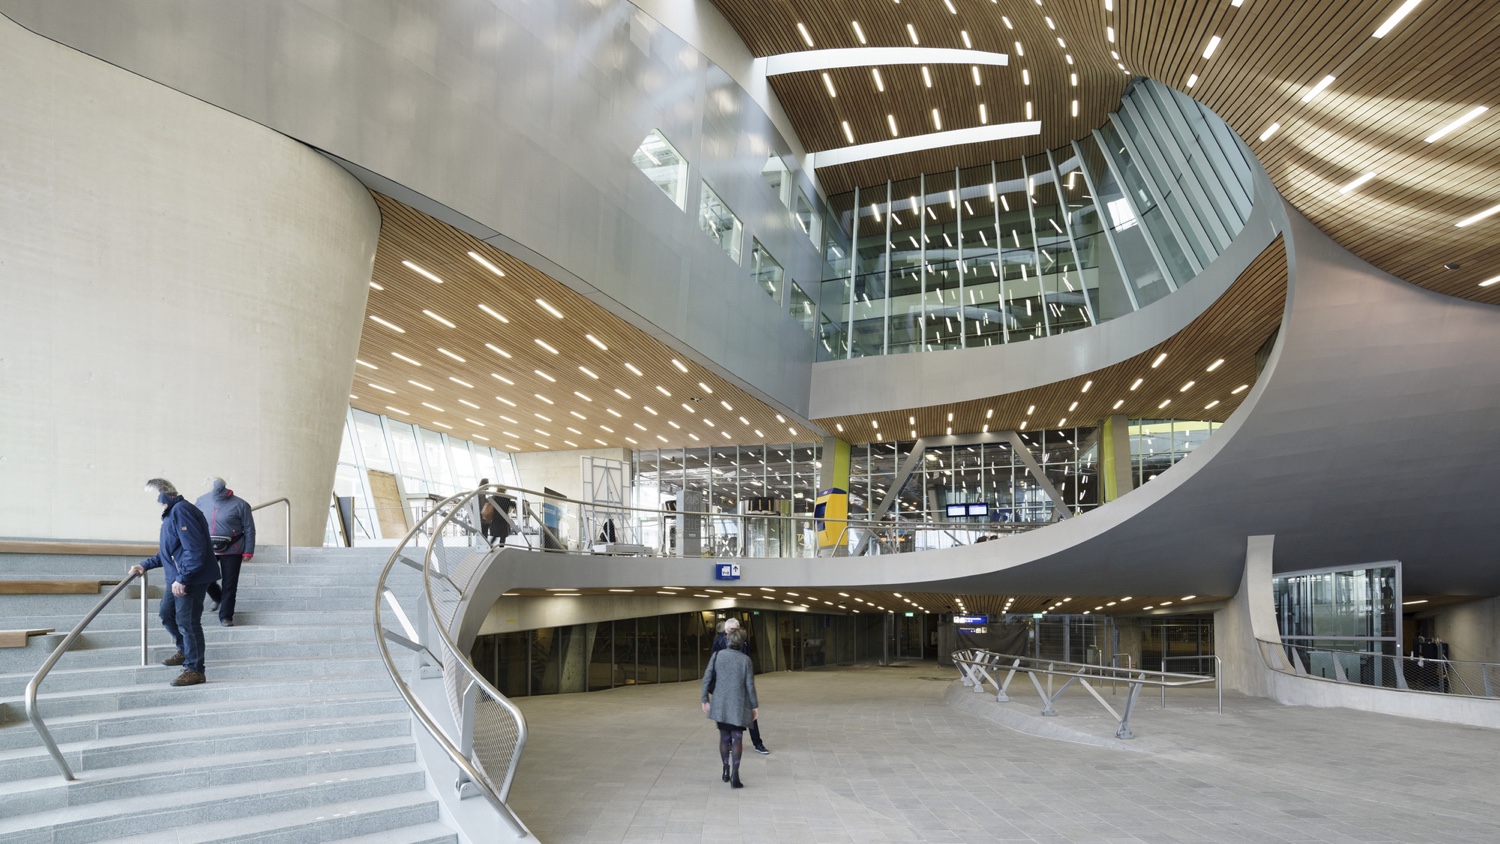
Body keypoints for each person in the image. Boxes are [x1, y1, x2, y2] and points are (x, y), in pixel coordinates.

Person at [130, 478, 220, 686]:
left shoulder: (181, 510)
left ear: (163, 494)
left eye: (154, 497)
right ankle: (185, 650)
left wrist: (183, 578)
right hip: (178, 578)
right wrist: (146, 564)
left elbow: (195, 550)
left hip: (190, 578)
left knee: (188, 623)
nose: (154, 502)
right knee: (167, 614)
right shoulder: (172, 513)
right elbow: (169, 551)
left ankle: (195, 669)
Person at [701, 627, 758, 789]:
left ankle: (725, 769)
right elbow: (750, 686)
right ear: (742, 642)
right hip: (738, 706)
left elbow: (707, 677)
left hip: (720, 705)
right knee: (737, 739)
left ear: (728, 640)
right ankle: (735, 774)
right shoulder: (745, 660)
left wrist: (705, 698)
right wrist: (754, 706)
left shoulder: (717, 655)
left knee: (724, 738)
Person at [196, 477, 255, 627]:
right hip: (208, 548)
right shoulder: (202, 501)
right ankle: (218, 597)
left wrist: (248, 550)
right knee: (203, 577)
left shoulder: (241, 504)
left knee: (230, 584)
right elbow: (194, 524)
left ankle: (226, 616)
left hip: (233, 549)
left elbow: (249, 528)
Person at [711, 618, 770, 754]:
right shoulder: (718, 643)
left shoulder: (744, 642)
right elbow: (713, 666)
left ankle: (758, 743)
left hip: (741, 685)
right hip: (726, 685)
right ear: (726, 630)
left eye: (736, 630)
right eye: (731, 630)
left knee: (750, 715)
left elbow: (748, 662)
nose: (733, 632)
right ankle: (730, 743)